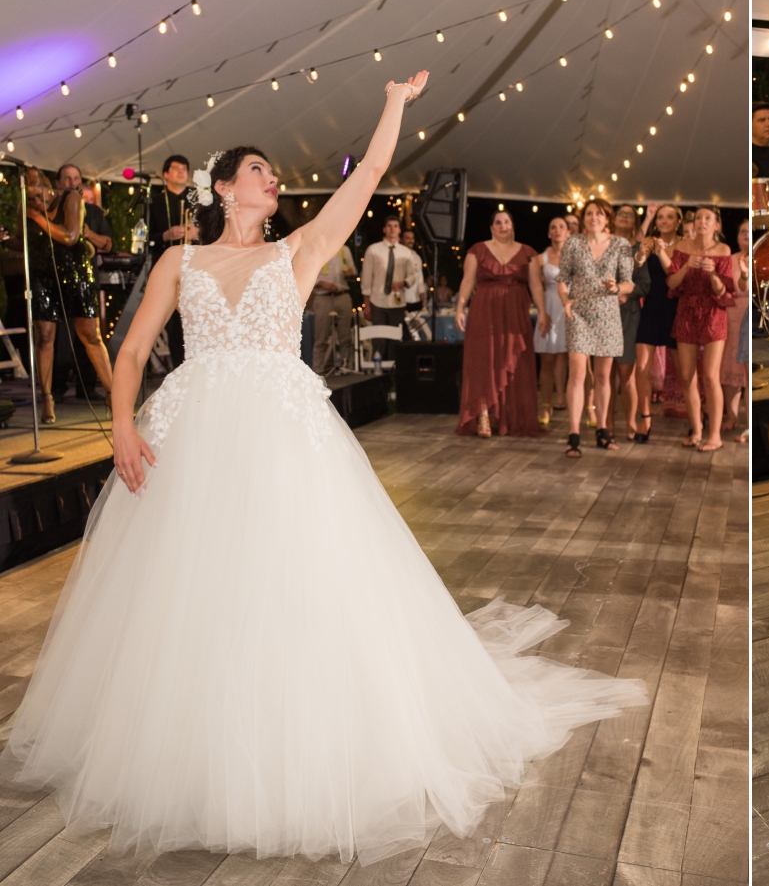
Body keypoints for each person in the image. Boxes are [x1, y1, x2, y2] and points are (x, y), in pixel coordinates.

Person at [0, 73, 646, 863]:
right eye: (261, 171)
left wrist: (393, 107)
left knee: (293, 582)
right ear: (227, 187)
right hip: (192, 438)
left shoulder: (296, 249)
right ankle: (195, 749)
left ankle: (295, 747)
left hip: (281, 439)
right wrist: (123, 430)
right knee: (190, 594)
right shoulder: (182, 263)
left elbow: (369, 175)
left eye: (273, 174)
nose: (274, 180)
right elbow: (131, 351)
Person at [23, 169, 116, 422]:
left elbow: (71, 237)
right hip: (43, 276)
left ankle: (111, 394)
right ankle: (47, 399)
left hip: (75, 273)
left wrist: (37, 216)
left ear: (48, 188)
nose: (36, 201)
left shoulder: (72, 201)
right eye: (31, 198)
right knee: (44, 336)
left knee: (90, 336)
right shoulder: (27, 210)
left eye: (38, 195)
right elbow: (26, 242)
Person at [454, 210, 543, 439]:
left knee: (513, 362)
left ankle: (511, 417)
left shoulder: (528, 253)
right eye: (498, 222)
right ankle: (482, 414)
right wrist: (460, 308)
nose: (503, 226)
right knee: (484, 361)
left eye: (507, 222)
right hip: (485, 309)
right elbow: (467, 281)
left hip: (515, 312)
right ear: (492, 227)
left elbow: (535, 286)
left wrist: (542, 312)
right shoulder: (477, 251)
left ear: (512, 226)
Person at [556, 200, 634, 457]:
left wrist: (616, 288)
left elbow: (628, 284)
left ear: (607, 218)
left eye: (598, 214)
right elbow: (563, 279)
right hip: (579, 312)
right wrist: (565, 301)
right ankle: (574, 434)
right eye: (588, 214)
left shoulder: (621, 245)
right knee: (577, 373)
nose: (593, 218)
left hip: (608, 314)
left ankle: (603, 430)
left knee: (603, 376)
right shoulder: (573, 243)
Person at [665, 206, 736, 452]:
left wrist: (713, 273)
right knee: (686, 375)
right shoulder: (683, 246)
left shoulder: (723, 250)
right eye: (698, 218)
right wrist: (686, 267)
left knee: (710, 376)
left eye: (708, 218)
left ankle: (714, 435)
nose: (702, 222)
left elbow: (722, 290)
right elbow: (672, 283)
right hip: (686, 310)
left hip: (714, 312)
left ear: (717, 225)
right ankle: (696, 430)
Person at [59, 164, 113, 402]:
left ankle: (87, 387)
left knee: (90, 336)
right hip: (59, 279)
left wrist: (88, 233)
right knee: (61, 336)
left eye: (76, 178)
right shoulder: (55, 209)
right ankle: (56, 389)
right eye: (67, 179)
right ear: (59, 182)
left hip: (87, 278)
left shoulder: (93, 211)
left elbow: (109, 245)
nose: (72, 183)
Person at [632, 204, 684, 444]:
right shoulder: (649, 242)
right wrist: (642, 254)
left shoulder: (686, 244)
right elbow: (636, 266)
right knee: (641, 367)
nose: (664, 221)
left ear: (678, 221)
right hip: (652, 308)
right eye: (660, 217)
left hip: (677, 309)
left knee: (685, 371)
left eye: (669, 217)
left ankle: (696, 416)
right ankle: (645, 417)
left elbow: (675, 273)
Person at [147, 154, 199, 367]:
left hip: (195, 266)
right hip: (167, 268)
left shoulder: (199, 199)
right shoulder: (155, 201)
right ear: (166, 174)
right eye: (176, 168)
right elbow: (146, 238)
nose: (181, 171)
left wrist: (199, 232)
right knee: (173, 323)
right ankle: (179, 369)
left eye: (184, 168)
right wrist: (165, 236)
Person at [606, 205, 650, 442]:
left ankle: (631, 422)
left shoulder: (637, 249)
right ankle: (608, 423)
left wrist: (628, 294)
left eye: (629, 214)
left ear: (635, 222)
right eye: (620, 213)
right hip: (603, 316)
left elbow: (644, 283)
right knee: (605, 375)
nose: (624, 217)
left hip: (628, 315)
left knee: (625, 373)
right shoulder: (602, 245)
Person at [361, 216, 421, 359]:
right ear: (384, 229)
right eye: (389, 225)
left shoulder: (406, 253)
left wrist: (403, 283)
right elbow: (366, 279)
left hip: (397, 302)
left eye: (395, 226)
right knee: (379, 340)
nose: (392, 228)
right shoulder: (373, 250)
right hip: (378, 301)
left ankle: (393, 373)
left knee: (395, 340)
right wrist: (367, 304)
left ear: (399, 230)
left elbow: (413, 276)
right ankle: (378, 372)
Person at [531, 216, 570, 425]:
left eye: (561, 227)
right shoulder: (540, 259)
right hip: (550, 306)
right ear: (548, 233)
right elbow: (536, 287)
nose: (557, 230)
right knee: (547, 359)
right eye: (553, 227)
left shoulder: (575, 256)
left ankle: (562, 397)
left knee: (564, 356)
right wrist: (542, 312)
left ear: (568, 232)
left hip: (570, 307)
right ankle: (545, 405)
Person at [720, 220, 751, 435]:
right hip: (730, 315)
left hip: (749, 314)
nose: (746, 235)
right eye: (742, 231)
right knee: (729, 367)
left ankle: (749, 424)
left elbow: (746, 285)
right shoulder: (728, 259)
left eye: (750, 231)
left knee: (748, 372)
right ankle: (732, 417)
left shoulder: (760, 256)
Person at [310, 244, 356, 376]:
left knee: (345, 337)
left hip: (342, 295)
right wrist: (322, 282)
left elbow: (352, 272)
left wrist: (351, 274)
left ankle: (347, 368)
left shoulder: (345, 249)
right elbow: (307, 275)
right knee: (321, 338)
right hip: (323, 296)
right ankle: (317, 373)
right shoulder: (316, 250)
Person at [400, 227, 428, 309]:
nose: (410, 241)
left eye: (412, 238)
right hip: (400, 299)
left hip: (414, 299)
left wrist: (422, 295)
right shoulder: (397, 254)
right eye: (407, 238)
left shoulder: (417, 257)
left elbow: (420, 279)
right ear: (401, 239)